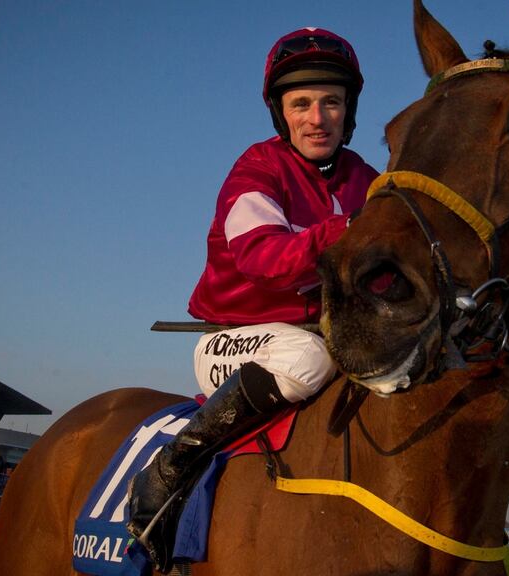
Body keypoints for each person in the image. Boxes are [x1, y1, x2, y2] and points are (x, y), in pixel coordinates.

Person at [126, 27, 379, 566]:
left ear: (348, 110)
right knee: (307, 358)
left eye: (331, 102)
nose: (317, 117)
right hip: (239, 341)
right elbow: (262, 259)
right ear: (281, 113)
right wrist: (349, 231)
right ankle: (175, 463)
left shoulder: (367, 179)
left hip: (329, 336)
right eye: (302, 103)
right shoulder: (257, 169)